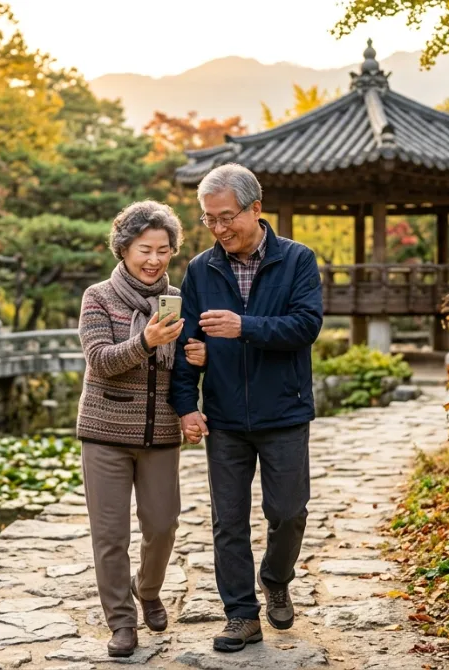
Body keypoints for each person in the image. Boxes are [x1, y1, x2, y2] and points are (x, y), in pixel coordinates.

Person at [168, 164, 323, 653]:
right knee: (228, 521)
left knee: (288, 512)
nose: (218, 228)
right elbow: (186, 343)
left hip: (285, 412)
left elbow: (306, 326)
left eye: (226, 216)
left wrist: (244, 327)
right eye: (209, 219)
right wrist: (186, 405)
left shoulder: (298, 259)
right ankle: (240, 614)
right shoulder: (200, 269)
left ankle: (275, 578)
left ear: (256, 208)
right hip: (225, 416)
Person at [76, 200, 206, 658]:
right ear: (124, 249)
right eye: (144, 250)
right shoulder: (98, 297)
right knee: (110, 536)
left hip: (160, 434)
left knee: (163, 525)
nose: (154, 260)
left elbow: (186, 367)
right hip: (105, 432)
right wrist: (146, 341)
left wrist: (201, 357)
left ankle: (147, 589)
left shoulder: (180, 301)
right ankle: (121, 622)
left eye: (163, 250)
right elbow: (100, 360)